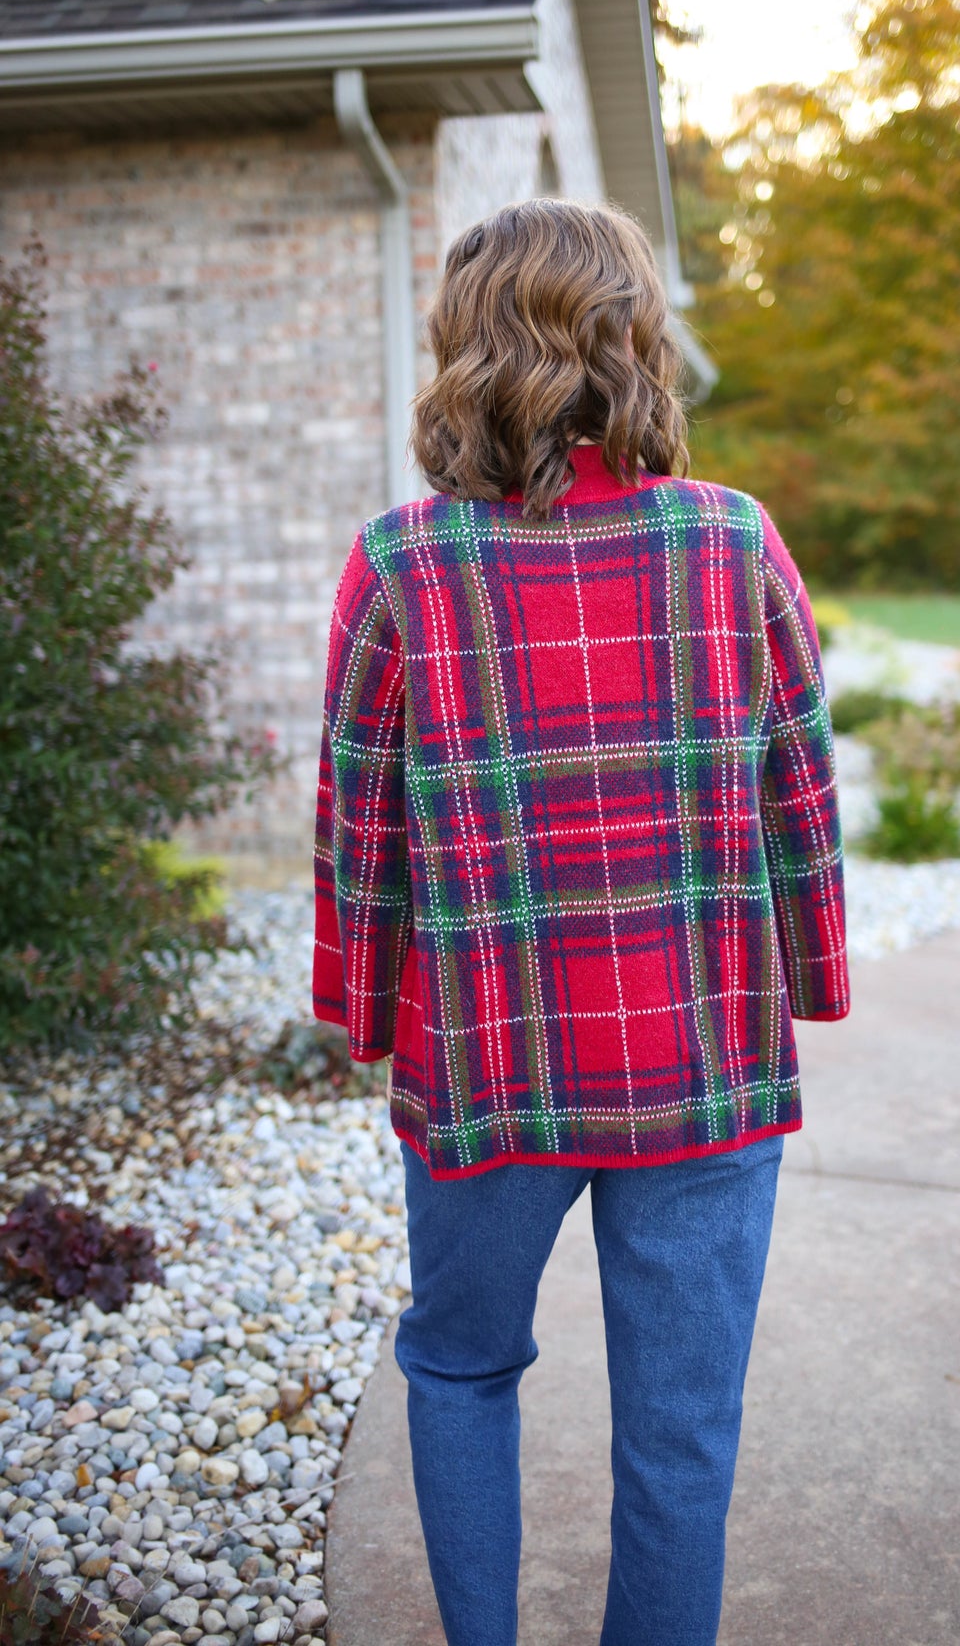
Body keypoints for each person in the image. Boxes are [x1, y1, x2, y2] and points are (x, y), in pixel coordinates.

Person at [312, 197, 850, 1646]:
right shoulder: (736, 541)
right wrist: (809, 974)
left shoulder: (402, 565)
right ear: (634, 342)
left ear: (463, 352)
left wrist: (366, 1019)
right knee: (682, 1434)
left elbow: (358, 830)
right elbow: (804, 777)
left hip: (487, 1064)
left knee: (464, 1369)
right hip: (706, 1062)